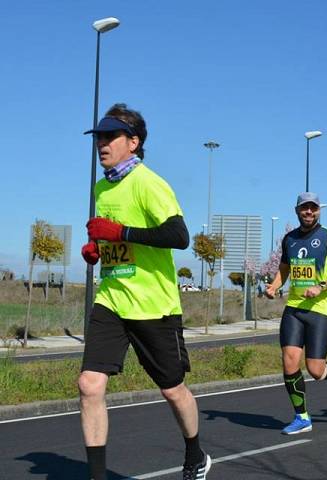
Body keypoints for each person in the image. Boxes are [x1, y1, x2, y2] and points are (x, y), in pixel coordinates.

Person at [79, 104, 210, 479]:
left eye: (110, 137)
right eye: (99, 137)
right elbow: (109, 236)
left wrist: (118, 234)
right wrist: (96, 248)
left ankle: (195, 454)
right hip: (113, 299)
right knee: (89, 385)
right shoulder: (102, 186)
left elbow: (178, 236)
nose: (101, 143)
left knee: (173, 390)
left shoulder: (150, 183)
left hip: (154, 306)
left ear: (133, 142)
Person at [265, 192, 327, 435]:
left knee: (316, 370)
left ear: (319, 211)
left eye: (313, 208)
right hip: (295, 308)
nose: (309, 212)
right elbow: (284, 269)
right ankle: (302, 417)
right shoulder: (289, 239)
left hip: (321, 309)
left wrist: (322, 286)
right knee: (289, 362)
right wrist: (275, 286)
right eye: (304, 208)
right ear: (297, 211)